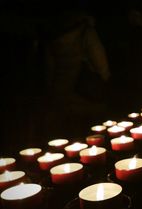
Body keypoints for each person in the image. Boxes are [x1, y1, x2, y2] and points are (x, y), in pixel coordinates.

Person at [41, 8, 111, 136]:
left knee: (70, 136)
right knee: (94, 136)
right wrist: (103, 81)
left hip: (62, 94)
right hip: (87, 92)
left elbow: (49, 70)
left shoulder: (51, 36)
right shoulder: (85, 33)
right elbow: (101, 64)